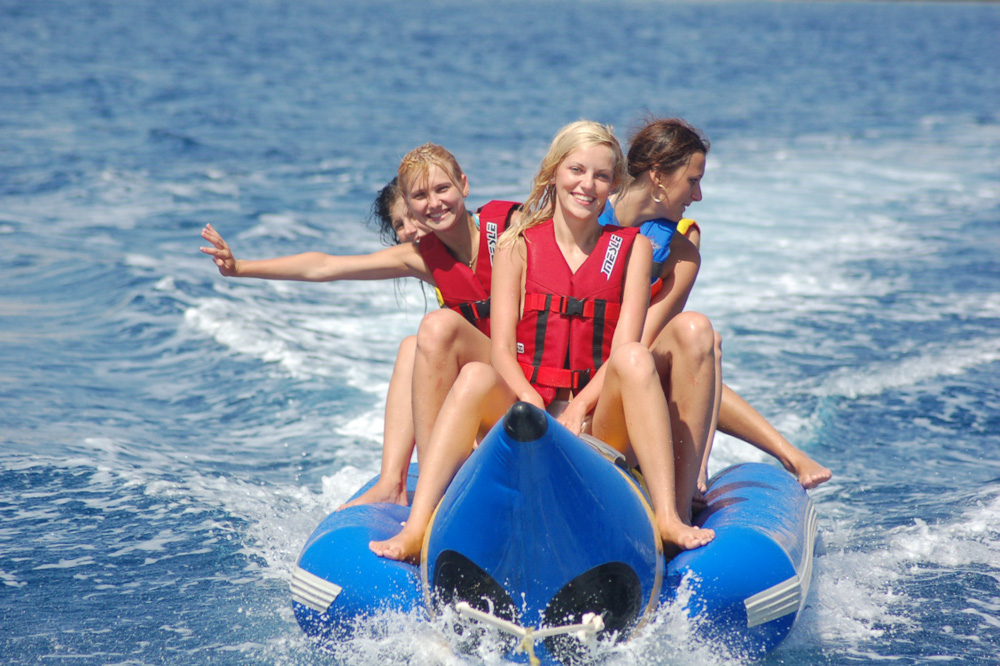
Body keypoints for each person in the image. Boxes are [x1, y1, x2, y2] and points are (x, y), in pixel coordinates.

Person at [370, 121, 715, 563]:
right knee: (476, 374)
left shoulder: (633, 249)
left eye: (602, 176)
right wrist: (529, 401)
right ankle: (421, 523)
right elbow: (501, 348)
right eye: (577, 170)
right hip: (526, 410)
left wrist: (577, 408)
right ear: (554, 171)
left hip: (596, 422)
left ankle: (667, 515)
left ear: (614, 184)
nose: (587, 185)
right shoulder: (517, 244)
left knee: (632, 356)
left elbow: (623, 351)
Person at [199, 151, 519, 508]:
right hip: (482, 381)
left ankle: (429, 489)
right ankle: (393, 483)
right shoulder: (423, 258)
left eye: (442, 189)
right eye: (414, 207)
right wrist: (240, 267)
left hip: (522, 377)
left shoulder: (510, 231)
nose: (427, 212)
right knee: (412, 346)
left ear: (463, 184)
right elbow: (325, 266)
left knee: (437, 328)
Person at [603, 117, 831, 490]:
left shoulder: (679, 250)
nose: (698, 197)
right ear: (658, 175)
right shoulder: (586, 218)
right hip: (581, 362)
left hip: (631, 365)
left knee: (705, 343)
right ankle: (784, 454)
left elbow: (641, 340)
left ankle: (695, 477)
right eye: (693, 181)